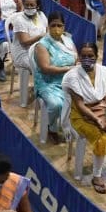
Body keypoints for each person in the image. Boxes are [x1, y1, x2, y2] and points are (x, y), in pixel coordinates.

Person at [62, 42, 106, 193]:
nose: (87, 59)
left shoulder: (104, 71)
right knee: (103, 139)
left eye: (91, 56)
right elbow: (80, 105)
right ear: (79, 57)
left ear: (97, 56)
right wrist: (97, 120)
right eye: (84, 56)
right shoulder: (72, 76)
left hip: (104, 108)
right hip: (81, 115)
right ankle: (97, 176)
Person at [34, 12, 78, 143]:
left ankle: (72, 127)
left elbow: (76, 59)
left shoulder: (68, 41)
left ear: (64, 27)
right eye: (53, 25)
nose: (57, 28)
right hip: (48, 82)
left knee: (84, 98)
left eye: (59, 25)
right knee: (56, 104)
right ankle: (51, 128)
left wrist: (77, 67)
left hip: (69, 81)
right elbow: (45, 68)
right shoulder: (42, 45)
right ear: (48, 26)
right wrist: (68, 69)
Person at [8, 0, 47, 73]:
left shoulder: (41, 15)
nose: (29, 7)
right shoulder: (19, 20)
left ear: (37, 6)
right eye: (26, 5)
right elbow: (24, 42)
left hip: (40, 50)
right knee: (44, 66)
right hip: (24, 53)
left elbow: (47, 30)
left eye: (32, 5)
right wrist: (40, 36)